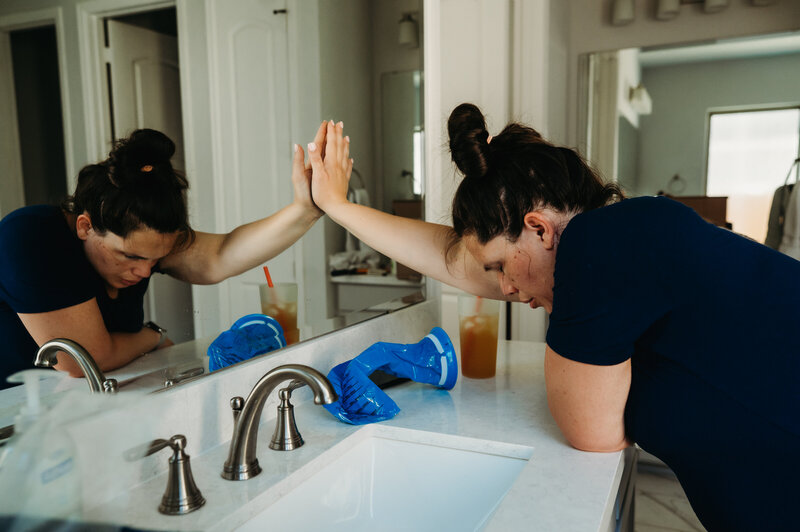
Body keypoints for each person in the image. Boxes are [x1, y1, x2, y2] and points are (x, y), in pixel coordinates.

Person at [308, 106, 799, 531]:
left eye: (500, 267)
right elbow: (455, 262)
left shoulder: (597, 245)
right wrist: (337, 206)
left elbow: (593, 432)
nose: (501, 289)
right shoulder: (620, 242)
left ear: (539, 228)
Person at [0, 122, 333, 388]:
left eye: (155, 259)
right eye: (129, 256)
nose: (144, 273)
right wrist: (153, 336)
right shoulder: (31, 238)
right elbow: (83, 360)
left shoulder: (140, 248)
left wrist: (305, 211)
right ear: (86, 227)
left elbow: (220, 255)